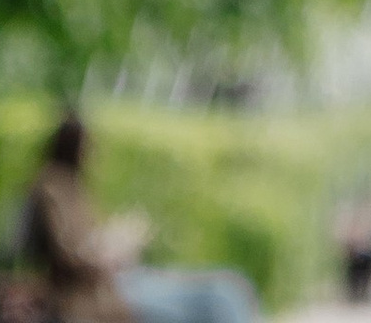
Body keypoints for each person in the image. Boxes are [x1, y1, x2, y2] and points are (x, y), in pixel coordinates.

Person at [14, 116, 260, 323]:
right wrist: (109, 252)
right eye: (88, 145)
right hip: (102, 292)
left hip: (122, 279)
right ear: (73, 144)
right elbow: (71, 256)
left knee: (231, 286)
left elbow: (86, 239)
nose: (93, 153)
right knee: (220, 297)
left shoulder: (74, 185)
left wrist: (119, 240)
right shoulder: (51, 188)